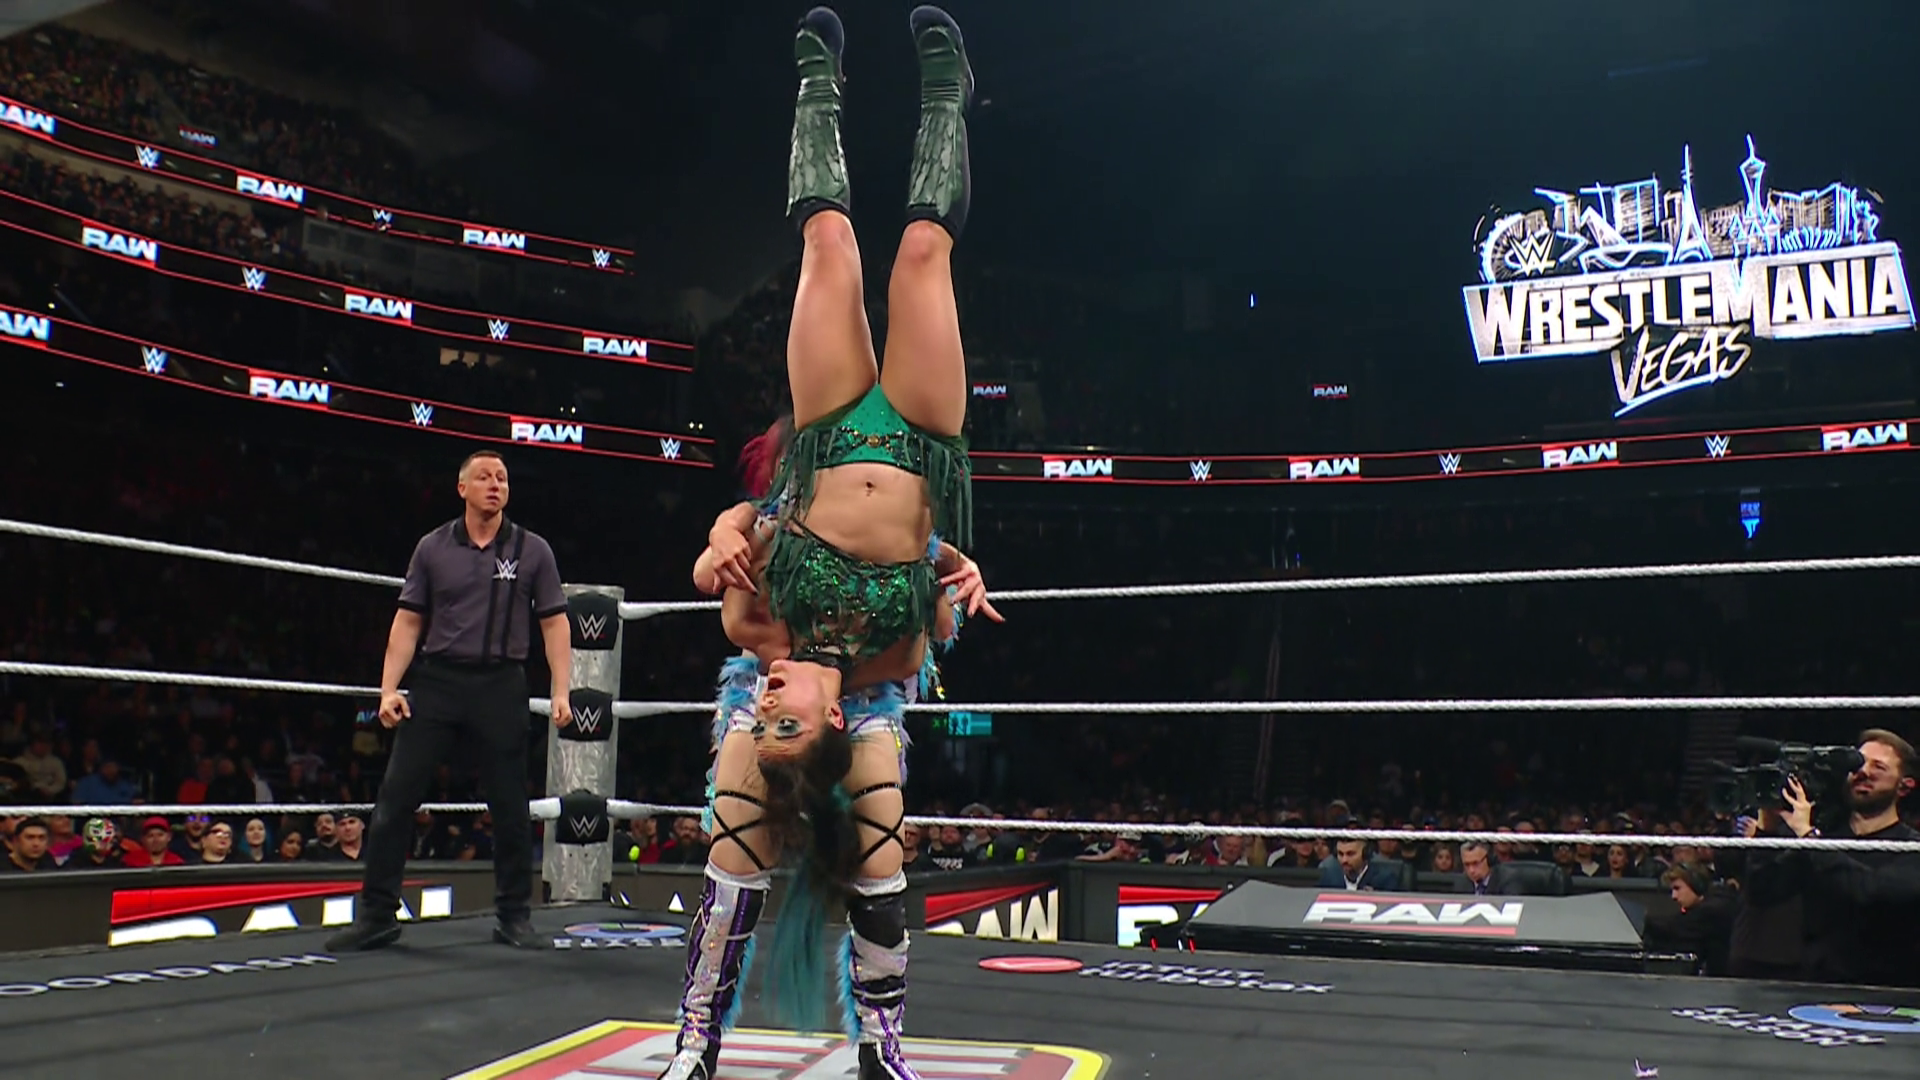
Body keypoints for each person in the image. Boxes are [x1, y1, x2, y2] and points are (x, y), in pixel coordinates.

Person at [661, 9, 985, 1080]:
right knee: (924, 251)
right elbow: (924, 583)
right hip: (921, 439)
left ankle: (817, 84)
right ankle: (948, 96)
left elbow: (749, 522)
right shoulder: (891, 664)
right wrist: (951, 567)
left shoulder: (756, 629)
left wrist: (720, 537)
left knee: (830, 243)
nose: (768, 700)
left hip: (831, 423)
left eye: (762, 711)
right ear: (832, 715)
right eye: (786, 717)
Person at [328, 449, 573, 952]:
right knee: (396, 796)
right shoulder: (433, 547)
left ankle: (514, 916)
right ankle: (376, 915)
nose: (495, 484)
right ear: (462, 488)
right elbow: (408, 620)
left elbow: (554, 622)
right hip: (438, 680)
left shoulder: (532, 550)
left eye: (502, 477)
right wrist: (389, 689)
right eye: (484, 476)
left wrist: (561, 689)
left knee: (510, 805)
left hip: (501, 682)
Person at [1740, 728, 1920, 986]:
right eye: (1858, 763)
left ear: (1905, 785)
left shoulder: (1912, 848)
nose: (1863, 772)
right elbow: (1762, 890)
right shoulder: (1827, 839)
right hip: (1818, 988)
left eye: (1878, 767)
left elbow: (1868, 892)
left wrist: (1809, 836)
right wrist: (1767, 828)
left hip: (1888, 992)